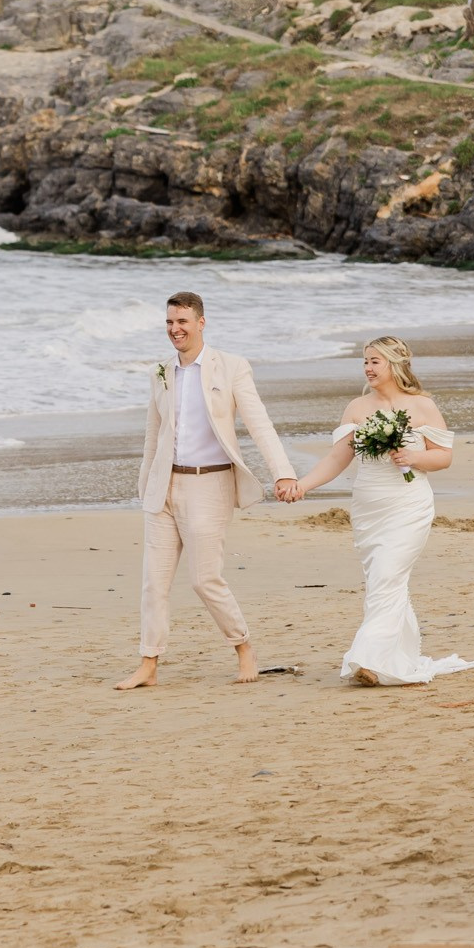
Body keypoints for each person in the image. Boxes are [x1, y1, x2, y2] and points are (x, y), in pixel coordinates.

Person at [116, 292, 299, 690]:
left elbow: (259, 424)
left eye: (182, 321)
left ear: (201, 322)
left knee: (204, 579)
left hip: (210, 484)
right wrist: (147, 482)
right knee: (154, 581)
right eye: (169, 322)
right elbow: (154, 432)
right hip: (165, 484)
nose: (174, 329)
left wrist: (283, 473)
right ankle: (148, 663)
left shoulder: (231, 367)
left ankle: (243, 645)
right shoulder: (160, 371)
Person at [287, 336, 474, 687]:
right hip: (369, 508)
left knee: (388, 576)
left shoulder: (422, 406)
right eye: (365, 362)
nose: (368, 368)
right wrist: (303, 485)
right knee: (383, 582)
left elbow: (444, 456)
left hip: (409, 505)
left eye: (375, 361)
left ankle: (367, 659)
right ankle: (396, 658)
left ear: (395, 364)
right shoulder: (357, 408)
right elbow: (336, 459)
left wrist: (415, 457)